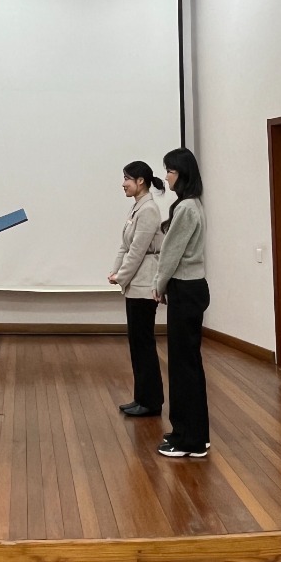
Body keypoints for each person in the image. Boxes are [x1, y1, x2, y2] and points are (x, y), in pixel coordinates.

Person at [153, 147, 209, 458]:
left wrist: (158, 286)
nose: (166, 177)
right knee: (190, 364)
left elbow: (171, 253)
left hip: (185, 290)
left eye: (170, 171)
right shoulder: (193, 204)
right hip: (192, 288)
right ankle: (195, 434)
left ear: (182, 174)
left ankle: (188, 440)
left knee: (183, 366)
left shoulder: (186, 208)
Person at [109, 161, 165, 417]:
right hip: (134, 284)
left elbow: (138, 251)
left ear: (141, 181)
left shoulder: (149, 210)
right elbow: (125, 246)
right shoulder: (137, 207)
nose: (123, 184)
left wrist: (121, 277)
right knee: (137, 344)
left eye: (127, 179)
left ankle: (151, 402)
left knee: (143, 344)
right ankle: (141, 397)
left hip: (144, 285)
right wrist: (115, 272)